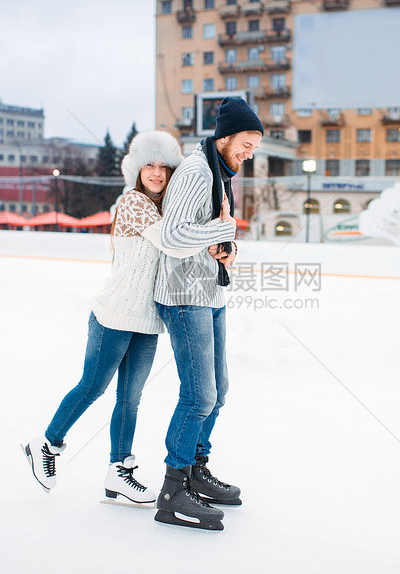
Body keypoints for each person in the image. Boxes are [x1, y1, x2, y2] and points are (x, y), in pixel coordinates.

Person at [23, 131, 204, 505]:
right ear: (137, 170)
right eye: (149, 165)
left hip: (147, 320)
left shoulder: (163, 209)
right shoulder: (134, 203)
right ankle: (46, 444)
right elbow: (173, 241)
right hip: (115, 313)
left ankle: (118, 470)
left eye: (164, 167)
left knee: (130, 398)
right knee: (93, 386)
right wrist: (218, 232)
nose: (156, 173)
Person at [151, 96, 262, 531]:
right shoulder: (198, 171)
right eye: (247, 142)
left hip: (208, 291)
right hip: (183, 294)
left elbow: (208, 234)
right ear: (226, 135)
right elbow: (173, 236)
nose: (250, 152)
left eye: (254, 145)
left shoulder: (219, 172)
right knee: (199, 394)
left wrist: (228, 248)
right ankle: (173, 490)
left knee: (219, 388)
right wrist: (224, 231)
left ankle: (196, 469)